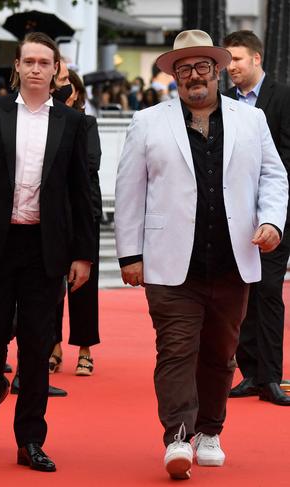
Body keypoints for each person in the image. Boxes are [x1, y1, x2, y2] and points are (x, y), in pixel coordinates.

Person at [115, 30, 287, 480]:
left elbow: (274, 176)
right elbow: (129, 190)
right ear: (174, 75)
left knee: (220, 353)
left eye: (202, 67)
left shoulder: (252, 121)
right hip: (171, 263)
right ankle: (176, 435)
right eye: (184, 68)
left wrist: (271, 220)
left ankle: (210, 431)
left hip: (234, 261)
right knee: (175, 350)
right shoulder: (148, 121)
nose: (194, 75)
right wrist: (129, 254)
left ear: (218, 70)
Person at [0, 32, 95, 472]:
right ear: (16, 66)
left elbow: (82, 193)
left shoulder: (72, 123)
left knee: (37, 346)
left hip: (44, 247)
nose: (36, 68)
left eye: (44, 62)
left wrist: (83, 254)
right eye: (28, 61)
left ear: (56, 69)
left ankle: (29, 438)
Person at [222, 30, 290, 406]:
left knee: (268, 292)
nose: (230, 67)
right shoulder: (224, 102)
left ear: (256, 59)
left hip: (275, 215)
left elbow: (285, 162)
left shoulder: (282, 97)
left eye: (237, 59)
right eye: (227, 60)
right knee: (243, 292)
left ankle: (271, 377)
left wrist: (277, 215)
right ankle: (249, 373)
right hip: (234, 217)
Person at [49, 66, 102, 376]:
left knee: (84, 284)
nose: (62, 89)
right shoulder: (46, 123)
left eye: (67, 84)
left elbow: (91, 163)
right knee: (51, 283)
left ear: (78, 92)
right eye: (58, 85)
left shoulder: (87, 123)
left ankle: (85, 349)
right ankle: (52, 345)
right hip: (53, 213)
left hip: (83, 213)